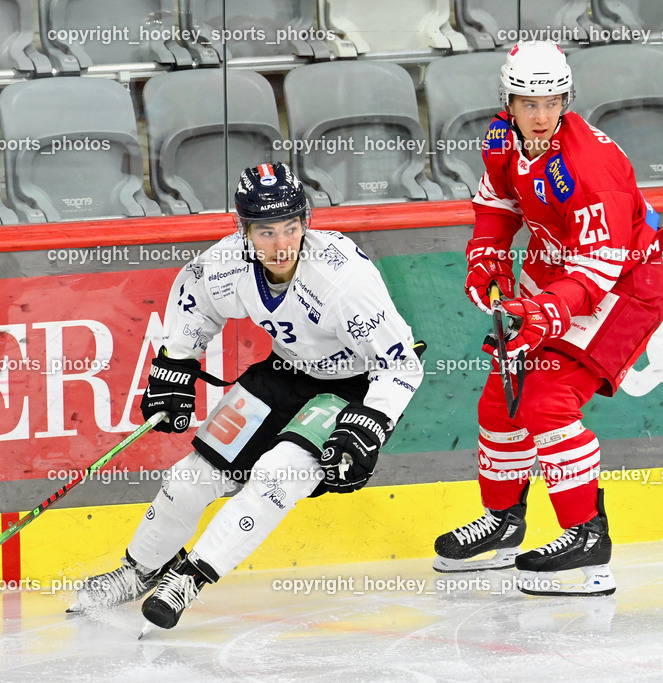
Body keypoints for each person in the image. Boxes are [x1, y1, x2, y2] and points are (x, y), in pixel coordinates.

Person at [69, 162, 424, 628]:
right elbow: (194, 299)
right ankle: (136, 572)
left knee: (275, 476)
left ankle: (188, 578)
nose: (280, 246)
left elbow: (400, 363)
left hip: (350, 387)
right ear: (244, 230)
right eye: (266, 232)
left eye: (291, 229)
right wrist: (175, 364)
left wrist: (369, 425)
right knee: (190, 478)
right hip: (283, 373)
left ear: (306, 223)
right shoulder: (225, 264)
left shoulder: (344, 282)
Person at [432, 41, 663, 595]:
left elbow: (599, 268)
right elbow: (498, 203)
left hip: (624, 288)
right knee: (502, 398)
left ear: (566, 98)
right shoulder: (500, 137)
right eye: (527, 102)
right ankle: (503, 523)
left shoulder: (591, 166)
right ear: (507, 101)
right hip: (554, 270)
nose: (540, 115)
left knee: (546, 397)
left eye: (551, 101)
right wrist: (488, 257)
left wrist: (543, 314)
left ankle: (588, 539)